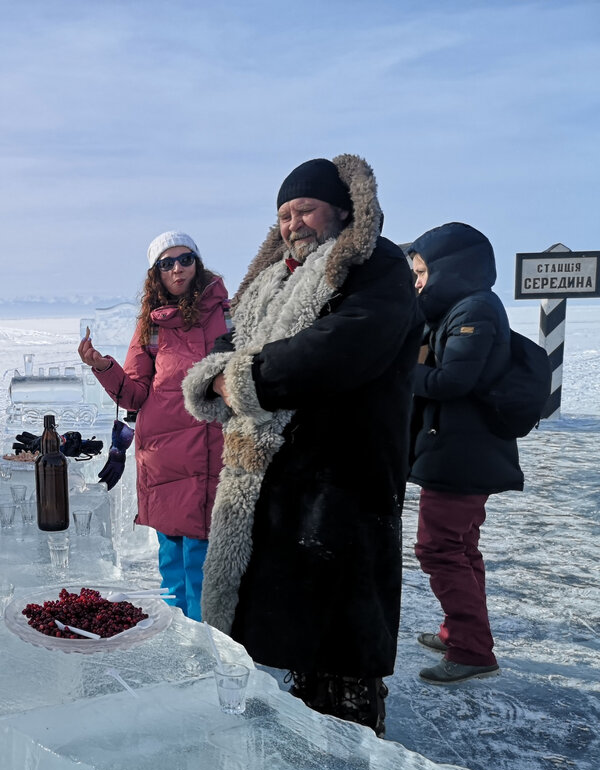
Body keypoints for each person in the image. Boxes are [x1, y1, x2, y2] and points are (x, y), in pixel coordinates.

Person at [182, 156, 421, 736]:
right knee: (293, 621)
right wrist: (219, 374)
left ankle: (355, 757)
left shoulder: (373, 265)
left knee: (343, 629)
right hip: (279, 478)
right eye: (284, 214)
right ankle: (308, 732)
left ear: (341, 209)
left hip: (345, 475)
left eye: (305, 209)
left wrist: (240, 380)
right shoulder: (272, 281)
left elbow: (335, 350)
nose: (294, 223)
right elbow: (227, 344)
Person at [77, 232, 228, 620]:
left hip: (211, 452)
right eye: (166, 263)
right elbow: (133, 395)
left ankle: (207, 648)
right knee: (171, 563)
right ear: (155, 274)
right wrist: (102, 366)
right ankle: (181, 645)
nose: (177, 268)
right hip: (162, 456)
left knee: (201, 559)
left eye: (185, 259)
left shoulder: (227, 313)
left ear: (198, 263)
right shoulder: (152, 327)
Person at [407, 222, 521, 684]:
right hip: (461, 448)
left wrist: (401, 372)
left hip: (462, 453)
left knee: (438, 548)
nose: (417, 282)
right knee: (461, 547)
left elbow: (454, 381)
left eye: (421, 272)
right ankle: (463, 631)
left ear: (449, 268)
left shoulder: (475, 308)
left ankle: (472, 649)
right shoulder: (460, 307)